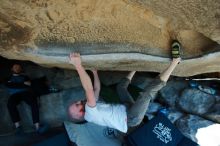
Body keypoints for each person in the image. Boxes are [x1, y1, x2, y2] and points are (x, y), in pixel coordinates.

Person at [68, 41, 181, 133]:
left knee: (120, 87)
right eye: (77, 105)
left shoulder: (91, 109)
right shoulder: (89, 114)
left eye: (76, 102)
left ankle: (136, 67)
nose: (78, 101)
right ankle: (175, 61)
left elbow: (96, 89)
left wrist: (95, 73)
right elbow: (89, 90)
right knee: (146, 95)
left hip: (125, 108)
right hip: (131, 118)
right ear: (80, 114)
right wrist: (78, 65)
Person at [6, 63, 48, 134]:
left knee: (34, 103)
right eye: (15, 67)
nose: (17, 68)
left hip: (26, 93)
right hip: (14, 95)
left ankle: (37, 127)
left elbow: (29, 85)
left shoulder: (25, 77)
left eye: (19, 67)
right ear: (12, 69)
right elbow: (10, 85)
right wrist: (22, 84)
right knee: (10, 104)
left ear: (21, 69)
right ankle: (18, 127)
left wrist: (16, 84)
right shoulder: (8, 78)